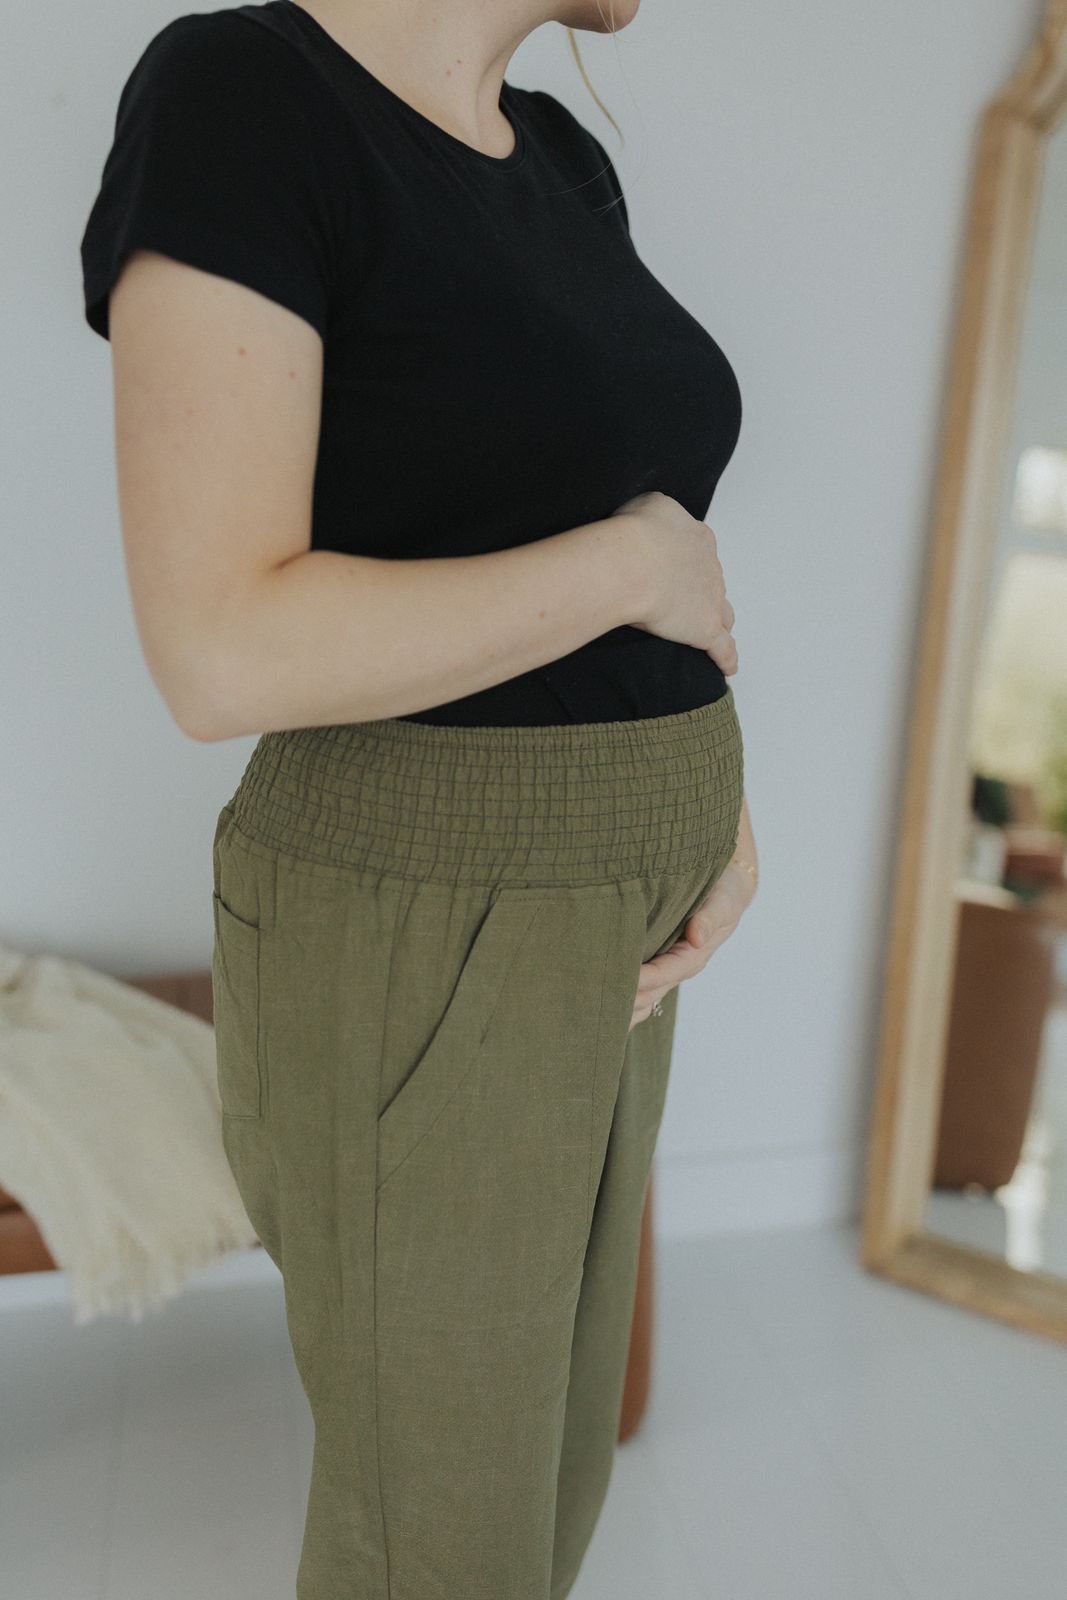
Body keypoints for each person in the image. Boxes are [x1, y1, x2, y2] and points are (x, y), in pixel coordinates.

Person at [80, 1, 760, 1594]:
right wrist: (630, 567)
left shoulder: (562, 159)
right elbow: (218, 647)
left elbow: (629, 555)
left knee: (544, 1505)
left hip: (615, 926)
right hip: (425, 925)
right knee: (439, 1552)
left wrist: (719, 797)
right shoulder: (241, 92)